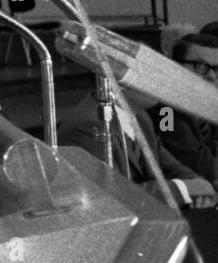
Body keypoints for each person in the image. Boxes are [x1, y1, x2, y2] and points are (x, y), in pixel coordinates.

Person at [62, 87, 217, 209]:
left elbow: (170, 166)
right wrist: (185, 189)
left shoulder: (139, 114)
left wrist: (197, 184)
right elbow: (113, 199)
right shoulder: (89, 128)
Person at [151, 33, 218, 180]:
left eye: (216, 69)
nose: (212, 76)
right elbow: (201, 166)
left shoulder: (208, 103)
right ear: (176, 67)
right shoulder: (165, 110)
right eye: (200, 67)